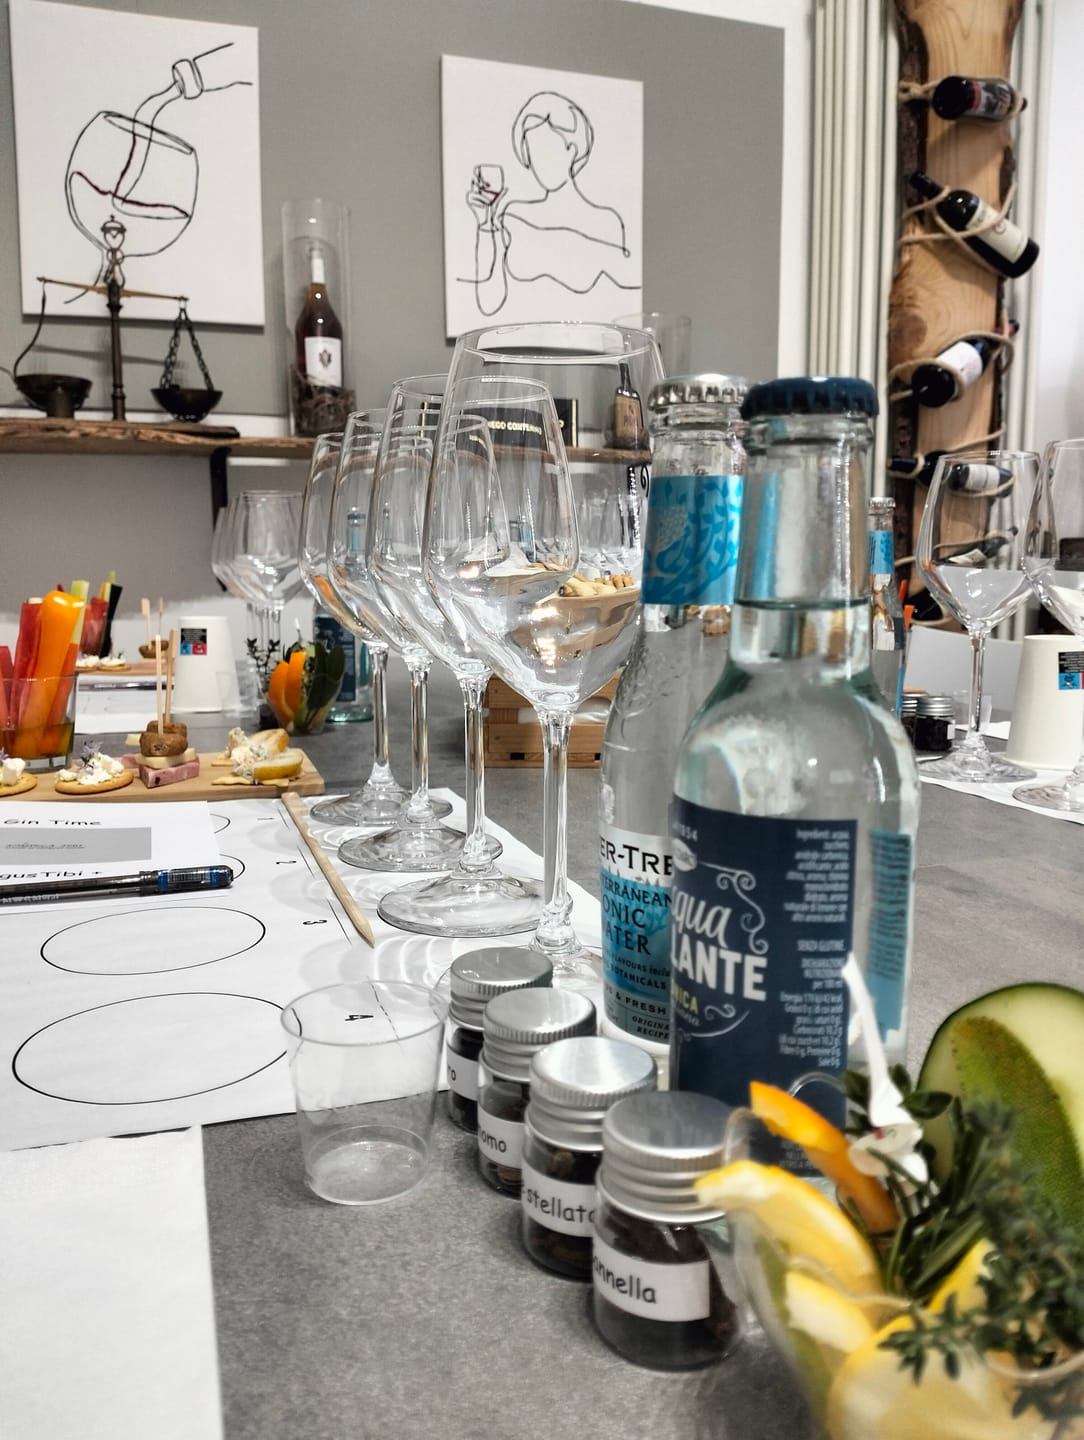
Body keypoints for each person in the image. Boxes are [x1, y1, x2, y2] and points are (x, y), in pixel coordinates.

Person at [466, 91, 638, 316]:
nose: (539, 162)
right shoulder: (514, 214)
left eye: (547, 149)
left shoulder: (605, 222)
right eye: (532, 151)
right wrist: (485, 224)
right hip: (519, 339)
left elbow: (616, 314)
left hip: (586, 341)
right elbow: (489, 303)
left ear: (572, 150)